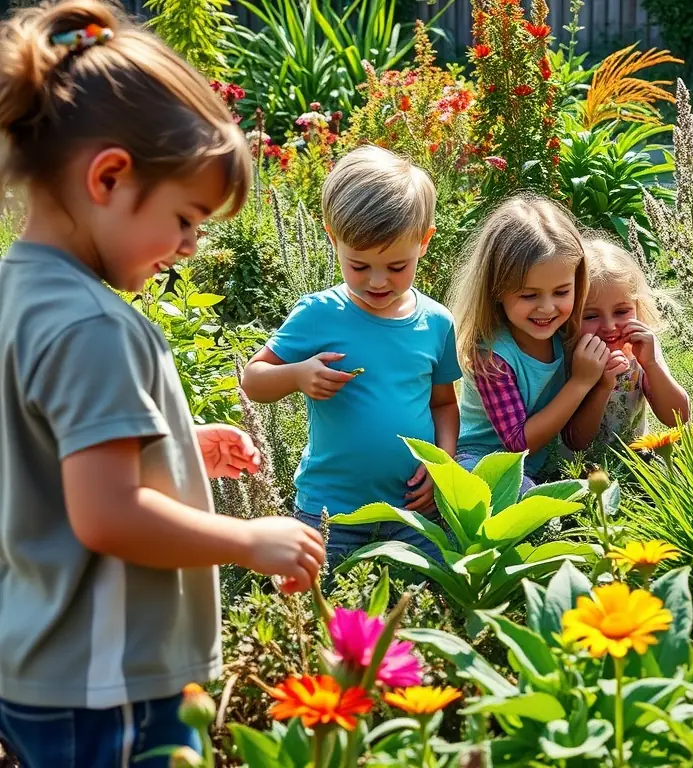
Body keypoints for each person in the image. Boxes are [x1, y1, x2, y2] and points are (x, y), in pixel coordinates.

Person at [0, 2, 326, 765]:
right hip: (111, 686)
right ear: (110, 176)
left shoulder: (20, 294)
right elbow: (108, 516)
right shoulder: (95, 326)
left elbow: (48, 453)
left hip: (41, 664)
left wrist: (177, 448)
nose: (187, 247)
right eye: (185, 218)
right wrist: (250, 540)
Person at [242, 145, 461, 565]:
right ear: (332, 238)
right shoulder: (319, 314)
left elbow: (444, 404)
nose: (377, 282)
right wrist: (297, 375)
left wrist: (443, 463)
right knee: (314, 606)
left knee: (424, 600)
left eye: (397, 266)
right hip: (331, 511)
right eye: (359, 266)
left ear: (424, 241)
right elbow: (253, 379)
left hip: (412, 508)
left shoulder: (435, 323)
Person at [450, 195, 610, 491]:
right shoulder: (492, 355)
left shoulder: (567, 338)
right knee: (527, 495)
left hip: (535, 465)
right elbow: (518, 444)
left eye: (561, 292)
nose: (547, 308)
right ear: (496, 290)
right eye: (528, 295)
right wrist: (580, 383)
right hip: (480, 463)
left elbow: (577, 439)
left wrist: (600, 383)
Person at [562, 236, 691, 451]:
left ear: (638, 306)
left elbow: (677, 417)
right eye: (591, 316)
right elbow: (577, 441)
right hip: (577, 472)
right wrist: (603, 385)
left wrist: (651, 365)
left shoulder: (642, 348)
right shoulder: (568, 355)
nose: (610, 326)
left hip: (635, 465)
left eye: (621, 312)